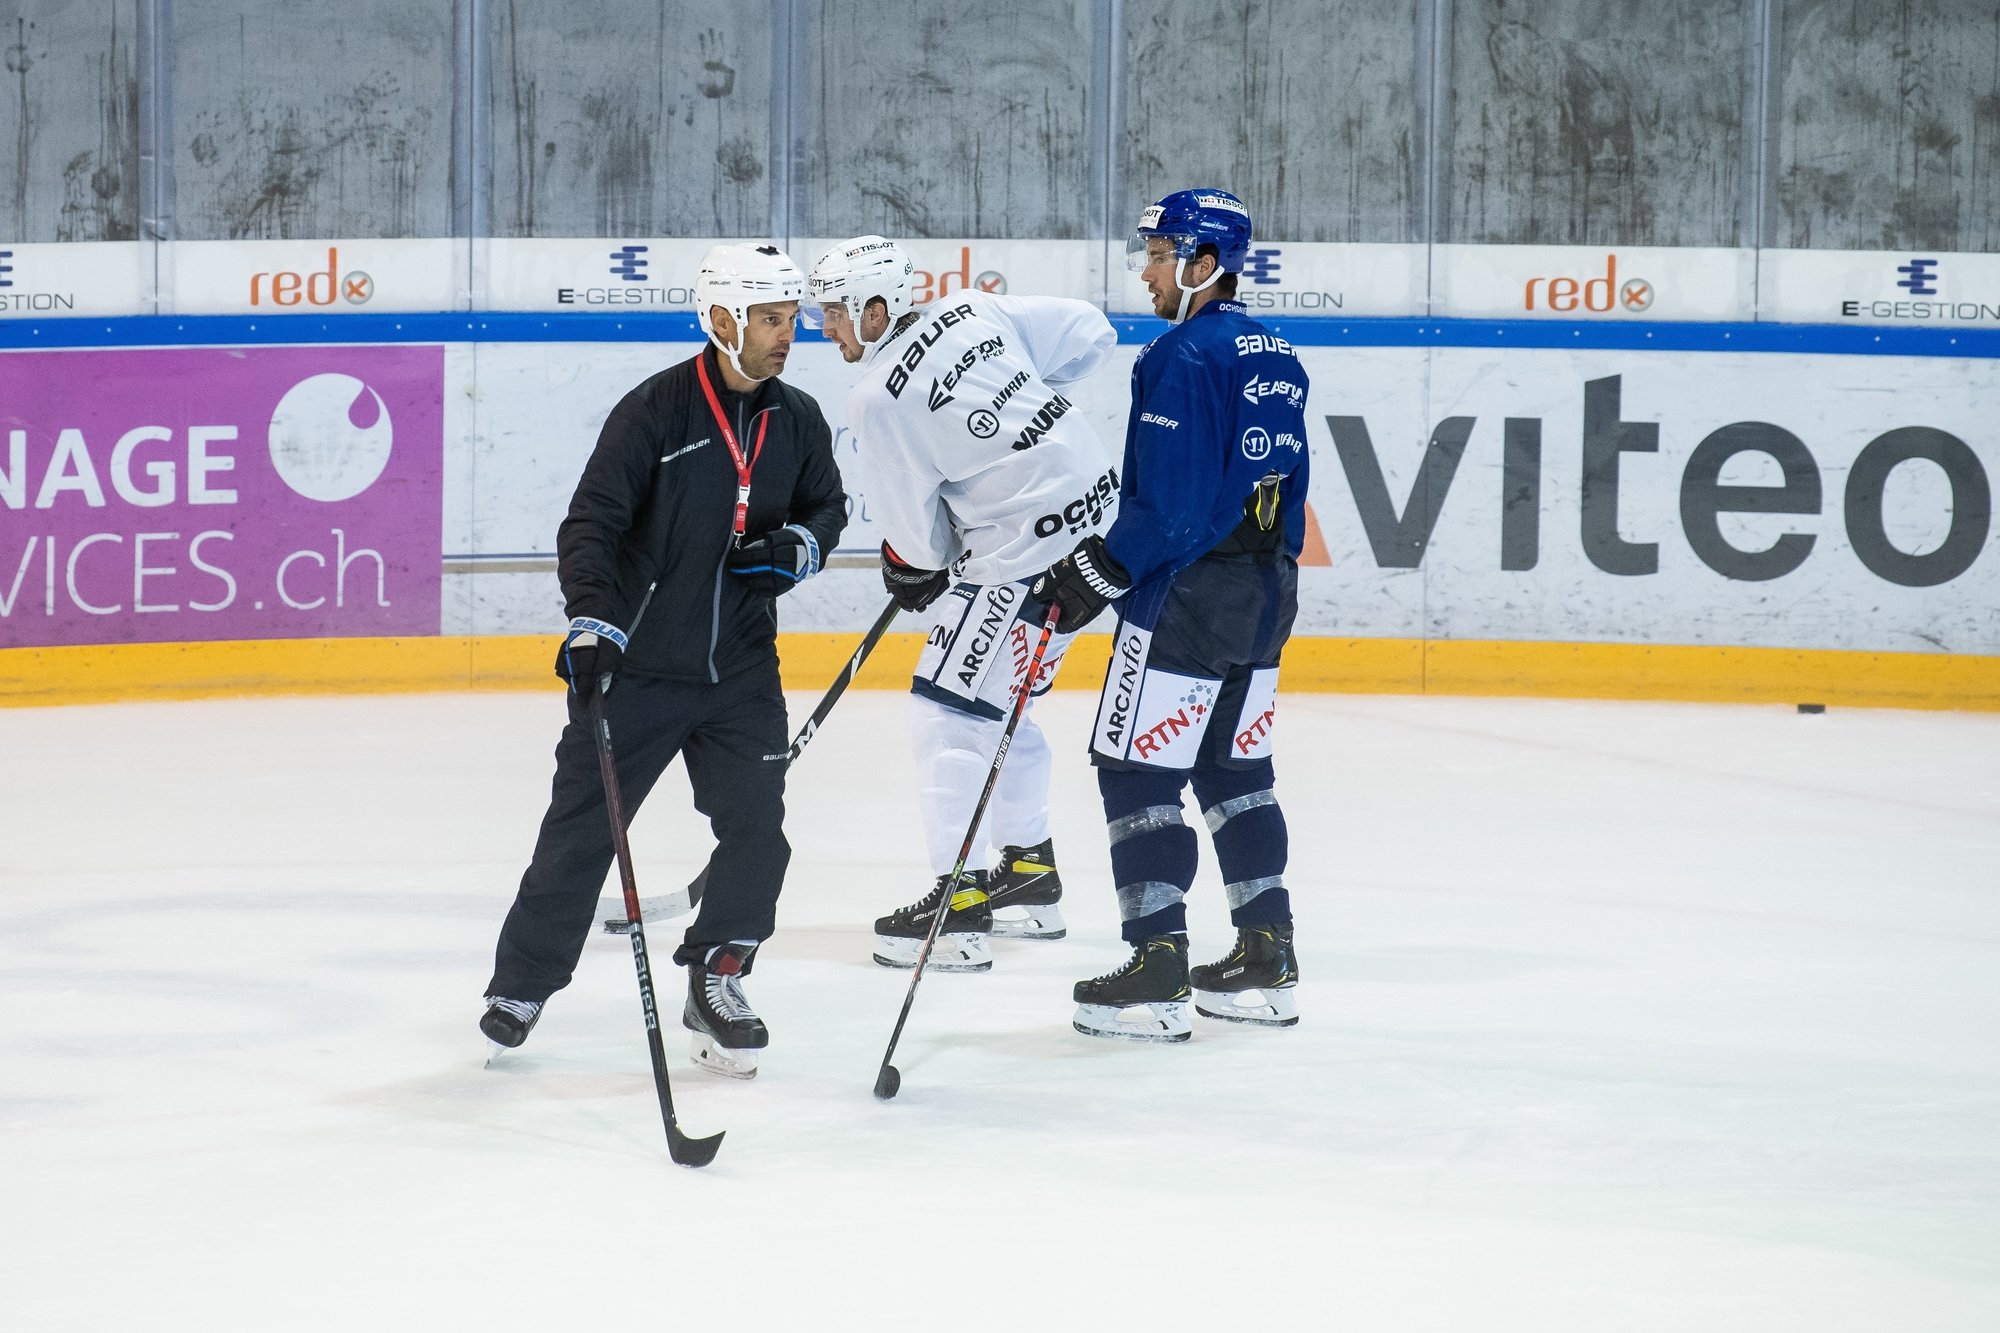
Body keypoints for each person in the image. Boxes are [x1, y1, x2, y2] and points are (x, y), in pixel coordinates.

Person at [480, 243, 847, 1079]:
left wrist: (801, 545)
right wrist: (593, 621)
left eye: (792, 318)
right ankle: (524, 983)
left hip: (741, 672)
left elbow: (828, 507)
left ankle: (718, 974)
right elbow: (591, 525)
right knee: (581, 833)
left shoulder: (799, 419)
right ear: (721, 321)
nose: (788, 335)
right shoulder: (654, 412)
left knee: (758, 833)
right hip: (639, 668)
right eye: (770, 319)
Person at [1031, 188, 1311, 1042]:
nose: (1146, 271)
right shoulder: (1279, 350)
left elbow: (1176, 512)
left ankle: (1156, 966)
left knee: (1137, 770)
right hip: (1266, 594)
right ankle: (1268, 955)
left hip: (1187, 597)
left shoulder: (1181, 356)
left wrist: (1095, 571)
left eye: (1158, 255)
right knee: (1235, 766)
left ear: (1202, 263)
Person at [806, 235, 1119, 972]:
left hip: (1025, 551)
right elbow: (1090, 332)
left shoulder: (877, 396)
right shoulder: (972, 309)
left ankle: (961, 903)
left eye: (836, 314)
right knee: (1003, 703)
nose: (826, 328)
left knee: (947, 711)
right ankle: (1031, 876)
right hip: (1100, 526)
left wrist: (913, 563)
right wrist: (1029, 427)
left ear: (877, 309)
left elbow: (921, 547)